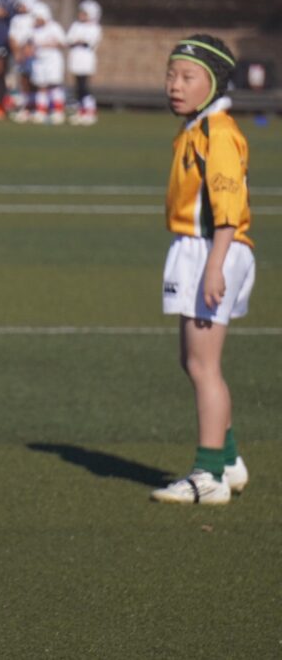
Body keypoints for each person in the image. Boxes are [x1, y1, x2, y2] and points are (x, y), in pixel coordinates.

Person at [151, 35, 255, 506]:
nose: (175, 85)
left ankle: (209, 475)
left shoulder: (219, 132)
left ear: (213, 83)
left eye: (188, 77)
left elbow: (228, 206)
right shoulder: (197, 127)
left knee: (203, 365)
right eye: (171, 75)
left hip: (212, 250)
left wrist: (215, 265)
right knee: (193, 361)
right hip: (198, 249)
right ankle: (228, 462)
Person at [27, 2, 65, 125]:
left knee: (53, 85)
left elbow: (63, 43)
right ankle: (41, 111)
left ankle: (57, 111)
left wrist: (49, 45)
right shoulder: (33, 30)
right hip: (39, 61)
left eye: (38, 18)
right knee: (41, 86)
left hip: (52, 60)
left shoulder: (54, 27)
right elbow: (30, 44)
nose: (36, 20)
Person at [66, 0, 102, 126]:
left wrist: (78, 41)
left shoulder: (95, 27)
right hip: (76, 59)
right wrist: (77, 41)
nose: (81, 15)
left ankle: (89, 110)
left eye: (84, 13)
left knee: (84, 86)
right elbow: (69, 40)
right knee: (78, 86)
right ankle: (81, 111)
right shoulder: (76, 25)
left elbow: (88, 42)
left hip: (86, 60)